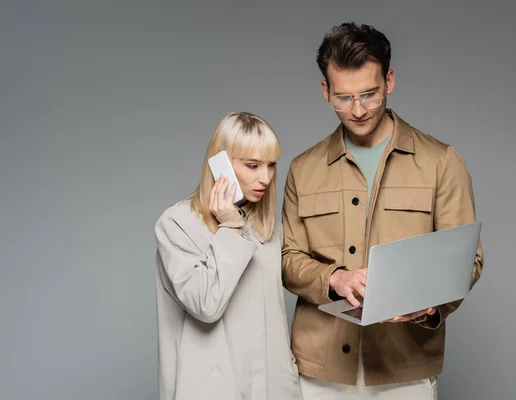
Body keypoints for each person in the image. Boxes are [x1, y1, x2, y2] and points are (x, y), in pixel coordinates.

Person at [281, 22, 484, 399]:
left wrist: (427, 305)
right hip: (319, 369)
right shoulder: (302, 168)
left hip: (403, 369)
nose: (357, 110)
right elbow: (288, 258)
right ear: (325, 91)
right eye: (343, 98)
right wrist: (335, 279)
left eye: (370, 95)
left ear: (389, 81)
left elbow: (467, 259)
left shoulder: (441, 162)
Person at [154, 111, 302, 400]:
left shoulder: (268, 230)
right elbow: (206, 305)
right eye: (252, 165)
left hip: (272, 386)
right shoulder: (177, 224)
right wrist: (230, 228)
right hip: (211, 387)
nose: (266, 177)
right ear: (218, 164)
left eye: (271, 165)